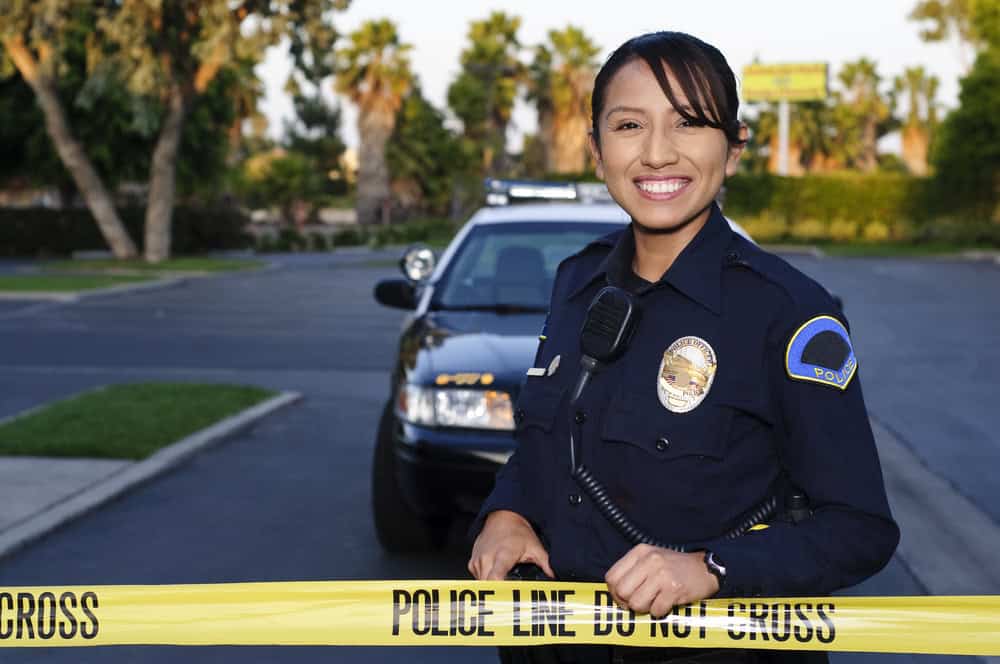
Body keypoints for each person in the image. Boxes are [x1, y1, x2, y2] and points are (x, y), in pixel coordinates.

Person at [467, 31, 900, 664]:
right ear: (596, 150)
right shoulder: (576, 285)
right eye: (629, 124)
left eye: (689, 123)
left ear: (733, 149)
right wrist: (505, 514)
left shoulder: (789, 312)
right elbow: (545, 452)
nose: (658, 153)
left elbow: (860, 529)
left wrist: (711, 569)